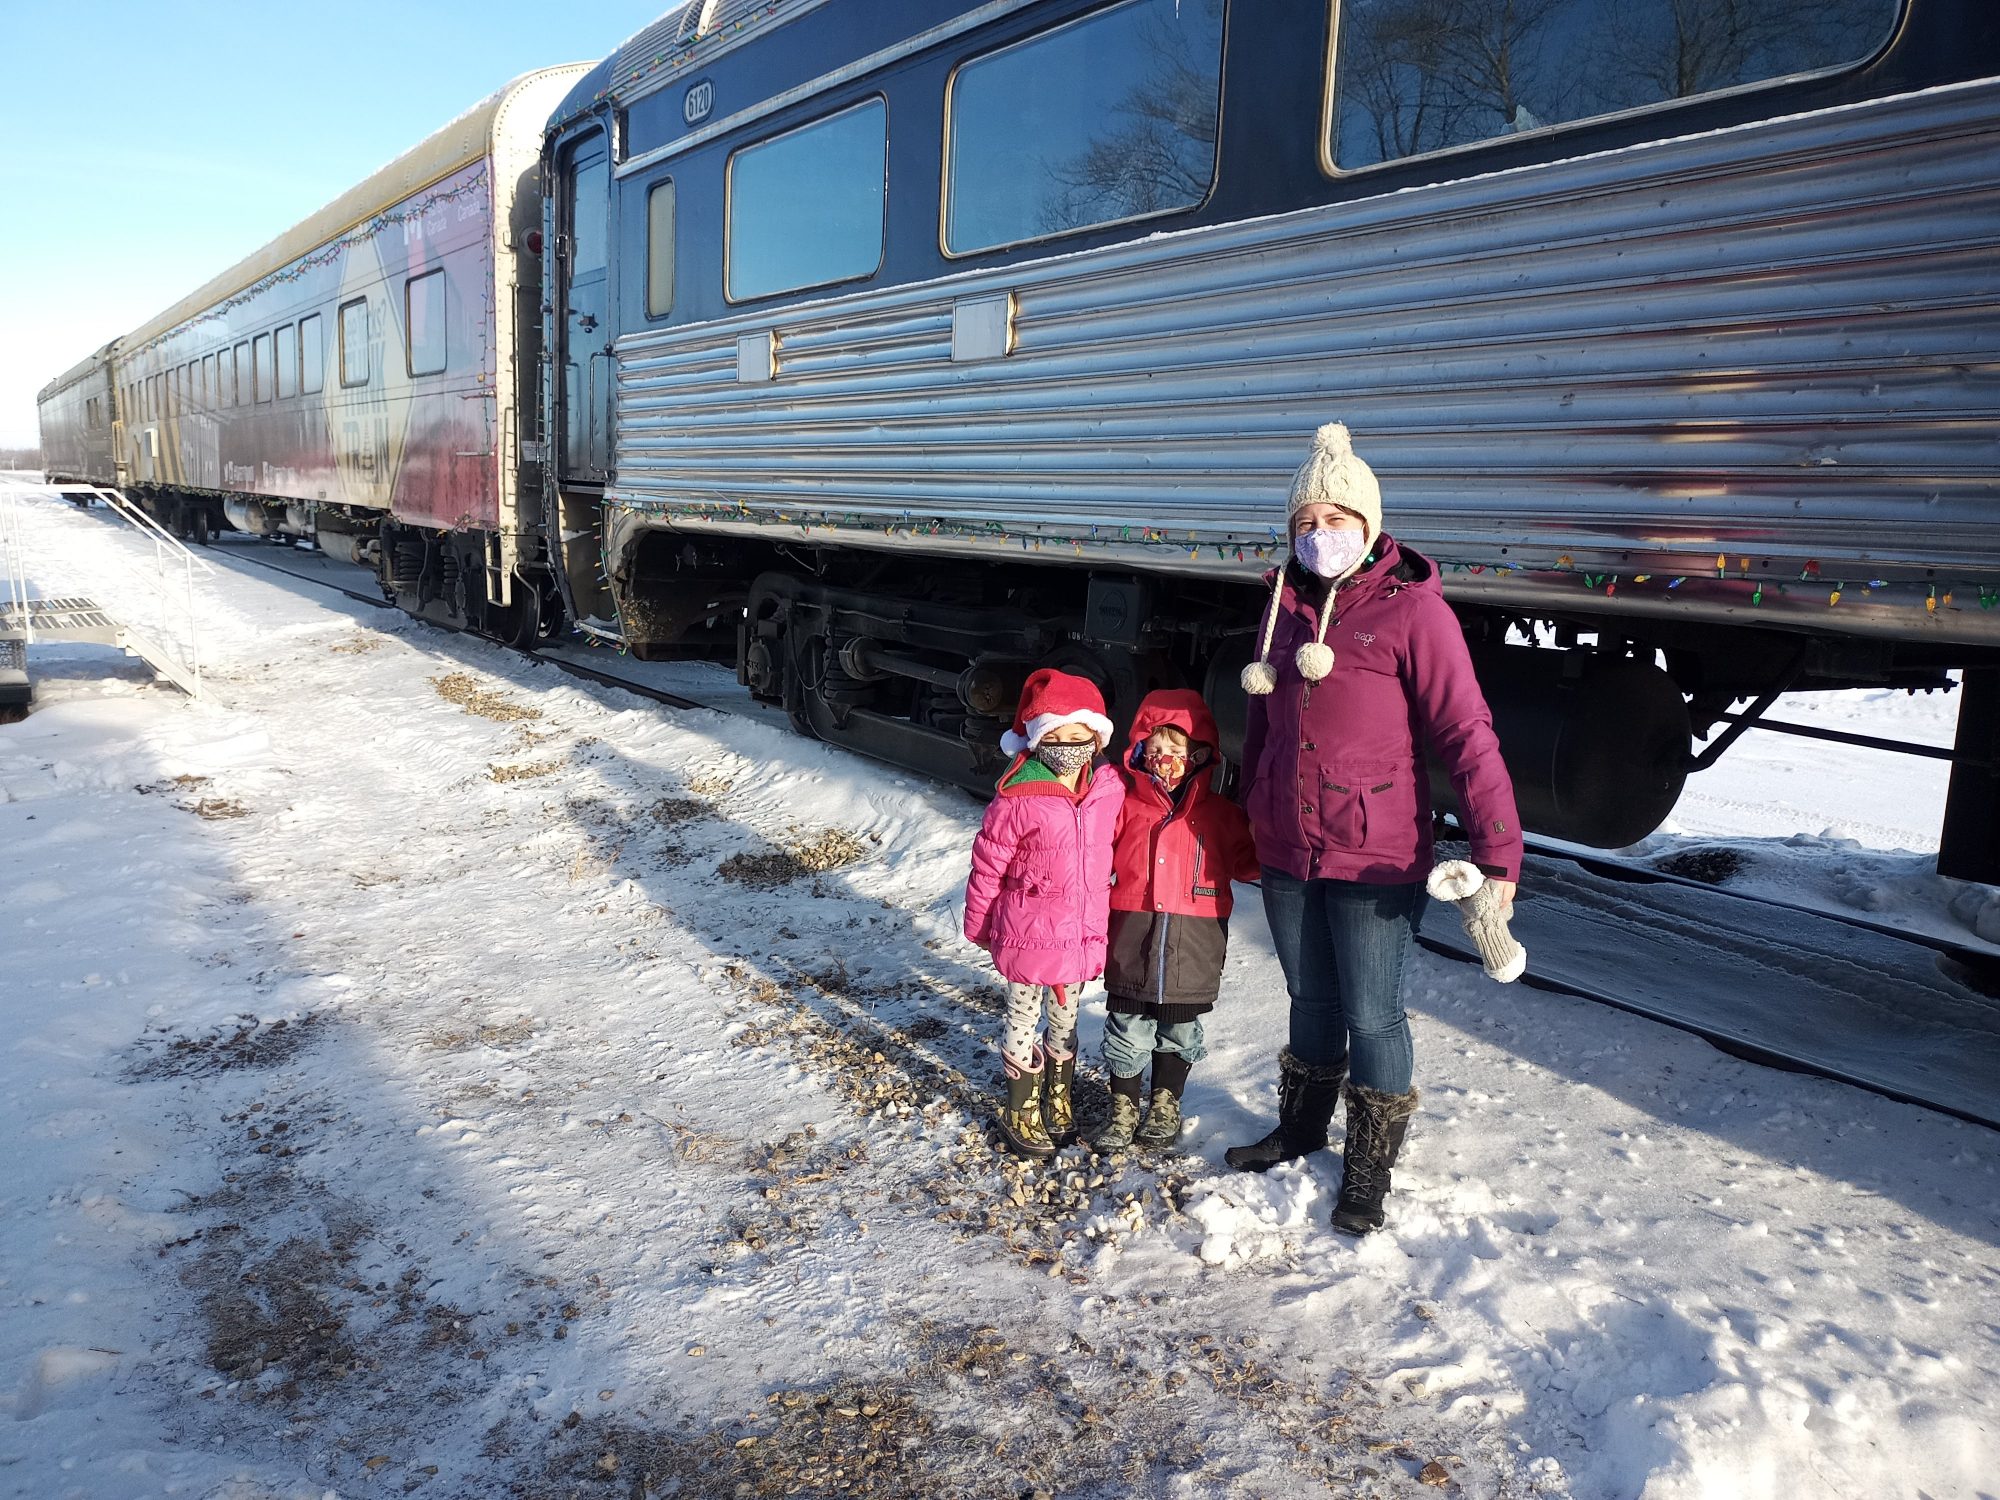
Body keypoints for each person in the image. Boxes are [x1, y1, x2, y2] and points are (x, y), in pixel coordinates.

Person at [1229, 423, 1522, 1235]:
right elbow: (1263, 729)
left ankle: (1368, 1168)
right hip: (1290, 846)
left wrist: (1498, 851)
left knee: (1372, 1013)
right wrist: (1248, 808)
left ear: (1369, 527)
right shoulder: (1280, 610)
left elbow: (1468, 734)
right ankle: (1299, 1128)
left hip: (1376, 857)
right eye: (1305, 523)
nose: (1320, 536)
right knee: (1307, 996)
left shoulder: (1412, 614)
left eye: (1336, 521)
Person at [963, 669, 1123, 1159]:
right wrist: (979, 921)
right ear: (1036, 740)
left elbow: (1114, 847)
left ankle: (1057, 1097)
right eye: (1056, 736)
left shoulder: (1107, 790)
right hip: (1027, 932)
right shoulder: (1017, 798)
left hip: (1078, 933)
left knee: (1066, 1018)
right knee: (1022, 1015)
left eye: (1079, 737)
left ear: (1095, 739)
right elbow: (988, 862)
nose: (1068, 747)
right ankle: (1020, 1107)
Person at [1094, 690, 1260, 1152]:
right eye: (1156, 751)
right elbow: (1092, 852)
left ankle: (1165, 1099)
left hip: (1195, 942)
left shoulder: (1222, 817)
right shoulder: (1125, 805)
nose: (1165, 760)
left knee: (1181, 1027)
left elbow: (1250, 864)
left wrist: (1270, 831)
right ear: (1141, 754)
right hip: (1132, 932)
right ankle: (1124, 1104)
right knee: (1126, 1022)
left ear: (1200, 757)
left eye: (1177, 752)